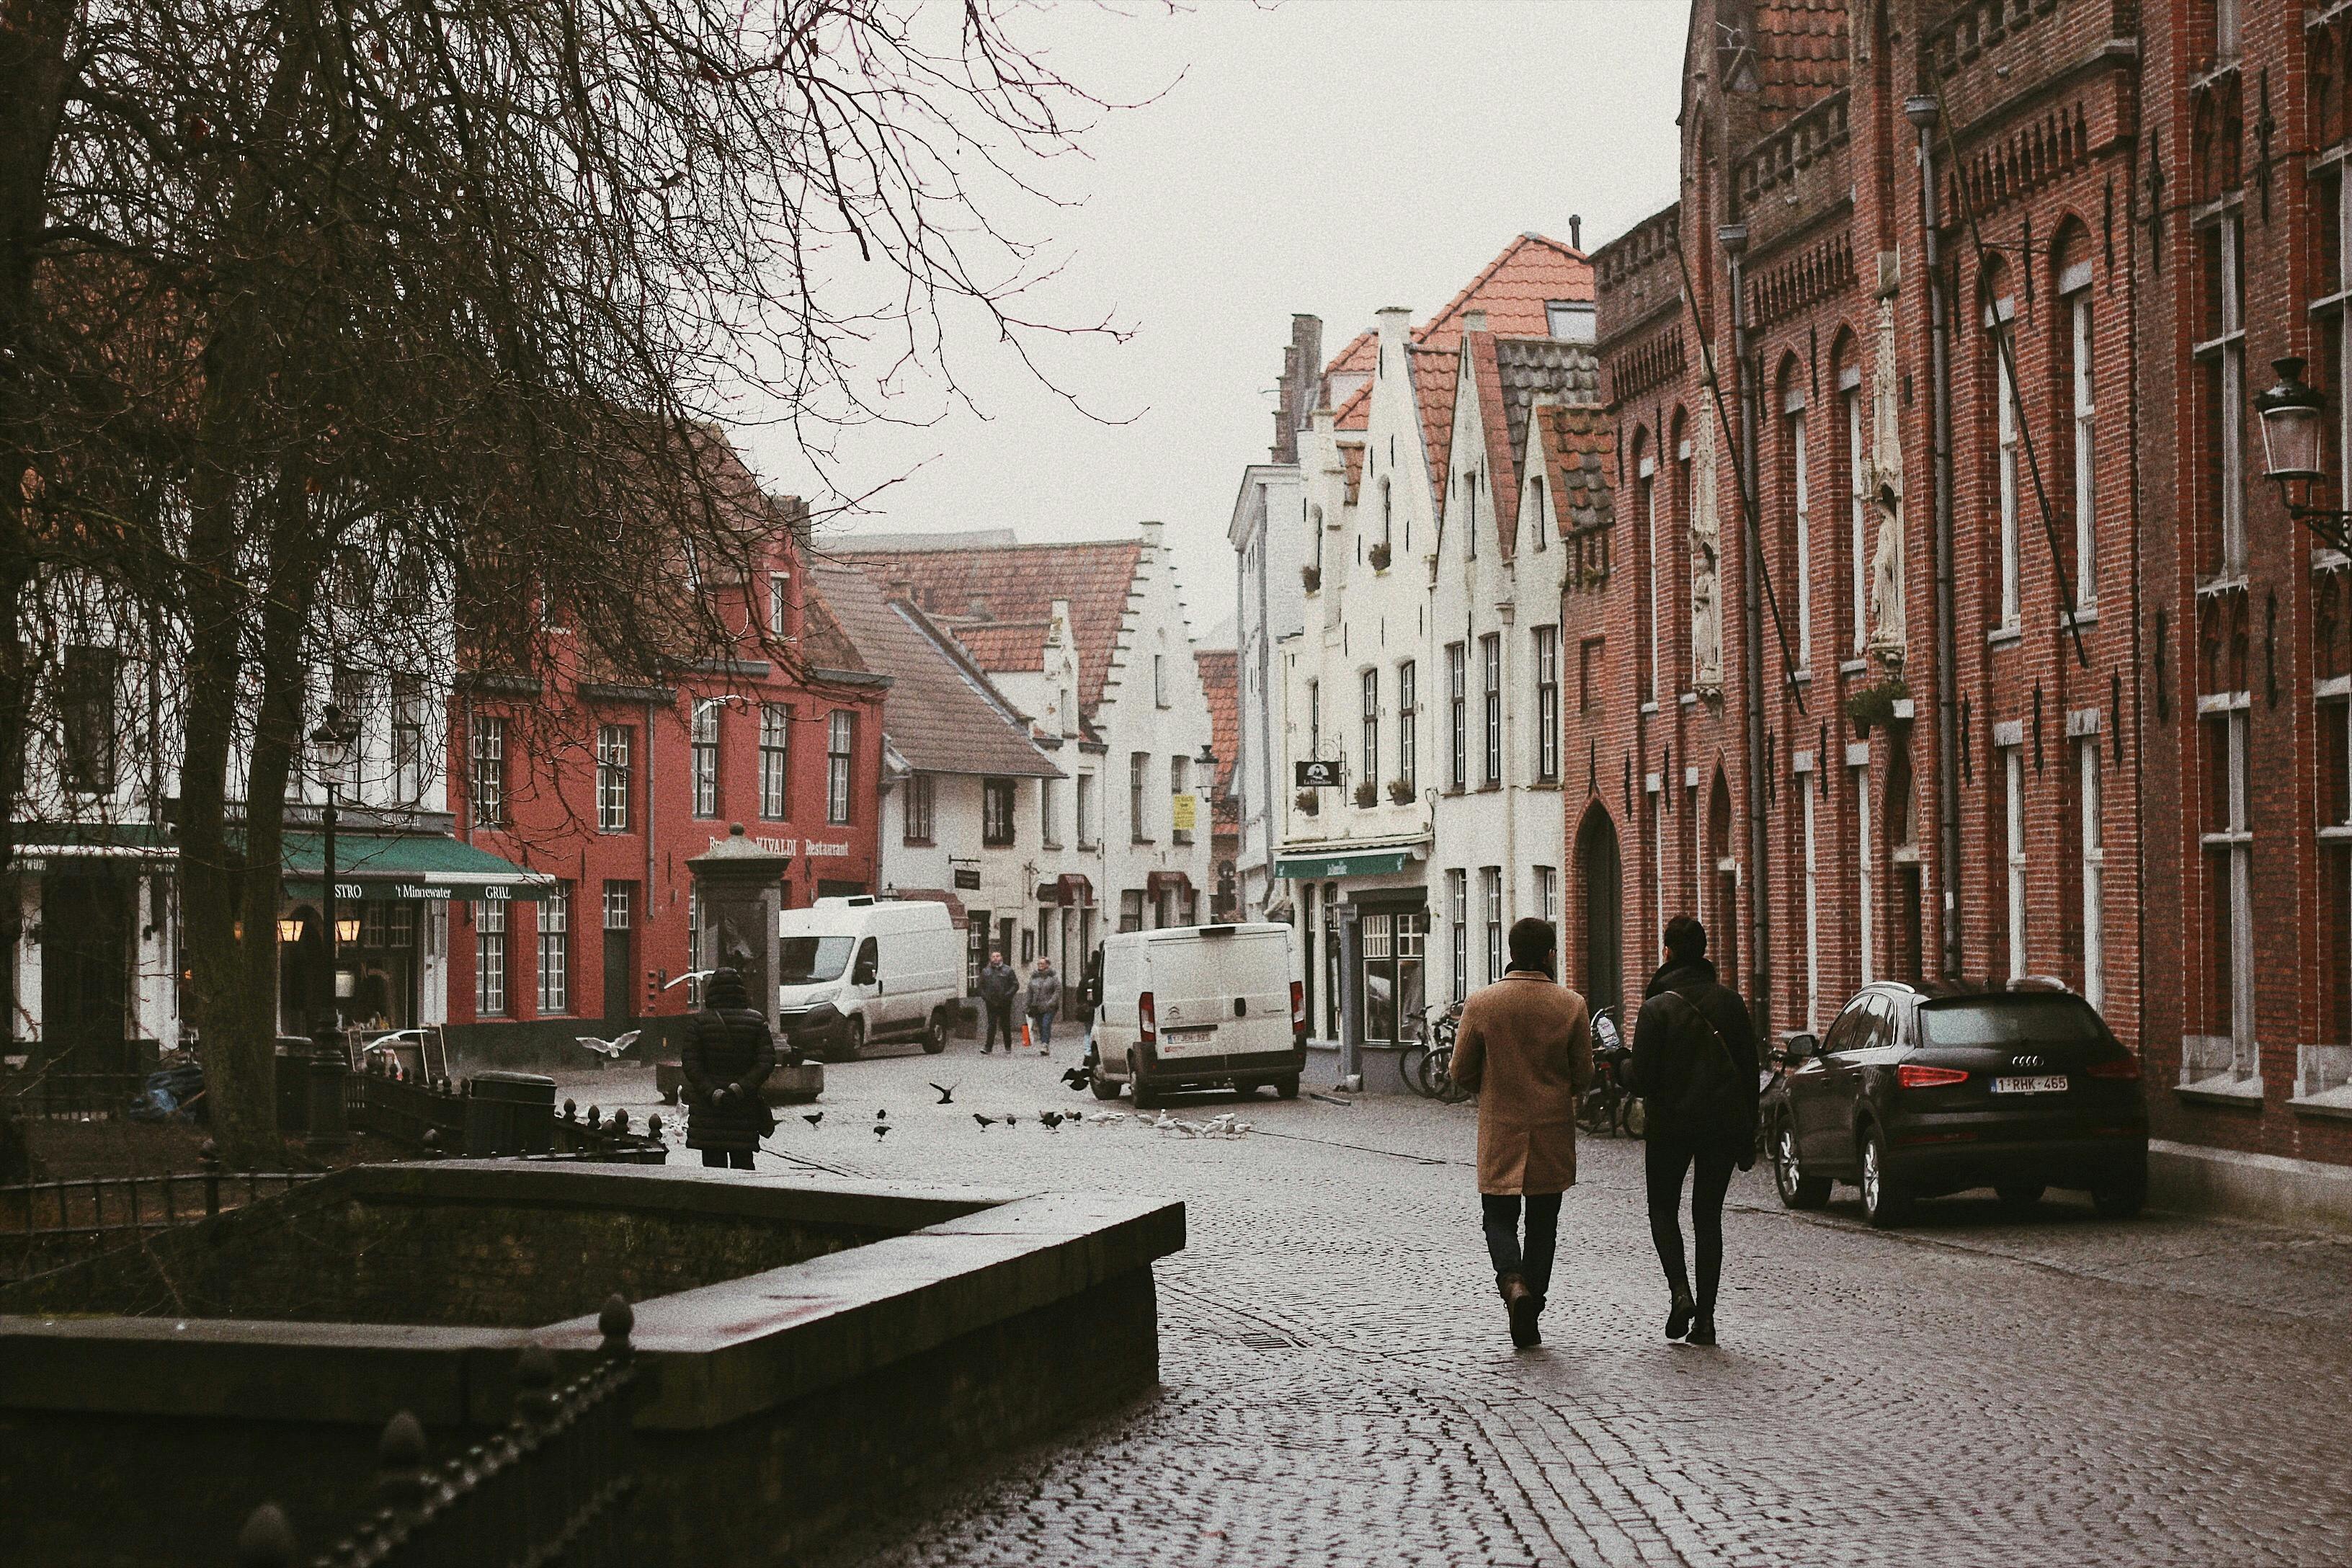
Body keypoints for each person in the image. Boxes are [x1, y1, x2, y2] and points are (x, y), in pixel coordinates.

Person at [1446, 917, 1592, 1349]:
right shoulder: (1571, 1005)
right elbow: (1584, 1075)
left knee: (1498, 1216)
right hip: (1551, 1129)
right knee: (1544, 1224)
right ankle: (1534, 1301)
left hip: (1501, 1128)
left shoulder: (1482, 1003)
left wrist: (1492, 1086)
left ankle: (1513, 1285)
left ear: (1510, 953)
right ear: (1550, 955)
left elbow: (1459, 1071)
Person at [1629, 914, 1760, 1348]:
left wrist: (1619, 1064)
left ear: (1666, 952)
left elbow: (1641, 1079)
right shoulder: (1731, 1003)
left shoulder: (1656, 1008)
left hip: (1670, 1127)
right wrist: (1749, 1132)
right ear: (1703, 953)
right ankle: (1706, 1320)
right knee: (1708, 1217)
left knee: (1663, 1209)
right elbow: (1749, 1071)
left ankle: (1680, 1292)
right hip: (1721, 1126)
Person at [680, 966, 775, 1170]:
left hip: (709, 1110)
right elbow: (766, 1062)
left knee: (713, 1168)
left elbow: (691, 1063)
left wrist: (712, 1091)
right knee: (743, 1164)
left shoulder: (699, 1023)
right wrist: (739, 1088)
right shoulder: (756, 1021)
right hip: (743, 1108)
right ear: (741, 991)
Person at [977, 948, 1019, 1054]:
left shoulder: (1008, 970)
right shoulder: (986, 971)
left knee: (1005, 1024)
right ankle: (988, 1047)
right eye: (993, 956)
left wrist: (1008, 995)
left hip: (1005, 1001)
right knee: (991, 1025)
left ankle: (1008, 1046)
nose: (996, 958)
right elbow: (980, 986)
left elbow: (1015, 985)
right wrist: (985, 997)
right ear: (991, 959)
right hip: (991, 1002)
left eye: (998, 956)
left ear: (1001, 958)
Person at [1025, 956, 1061, 1055]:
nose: (1040, 965)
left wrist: (1051, 1002)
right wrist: (1027, 1005)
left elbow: (1058, 991)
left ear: (1047, 965)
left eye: (1042, 963)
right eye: (1039, 963)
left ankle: (1045, 1044)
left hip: (1050, 1007)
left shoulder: (1053, 978)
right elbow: (1029, 992)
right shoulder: (1034, 978)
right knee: (1041, 1026)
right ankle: (1044, 1042)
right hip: (1037, 1006)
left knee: (1046, 1024)